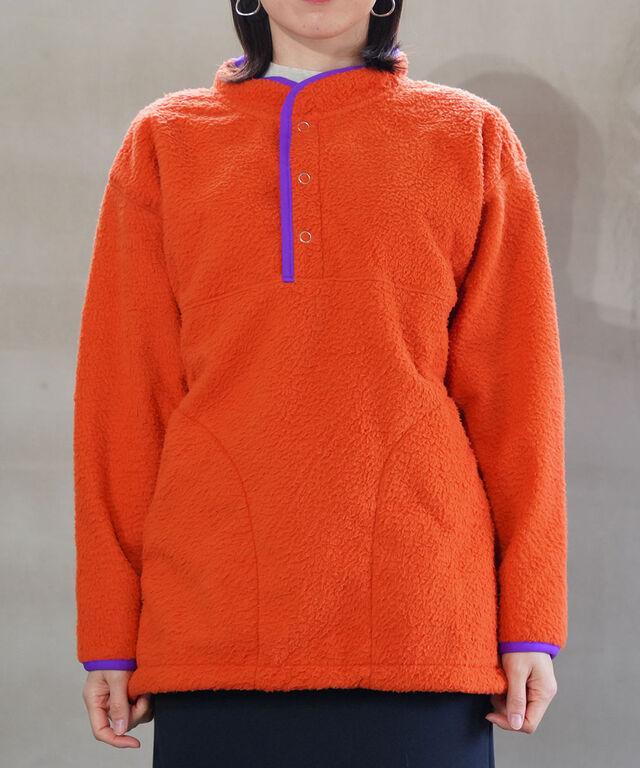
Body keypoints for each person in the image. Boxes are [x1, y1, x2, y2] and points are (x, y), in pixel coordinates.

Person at [73, 1, 568, 765]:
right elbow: (123, 399)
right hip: (212, 625)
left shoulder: (468, 135)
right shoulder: (166, 141)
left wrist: (531, 621)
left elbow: (519, 400)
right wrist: (109, 631)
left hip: (421, 622)